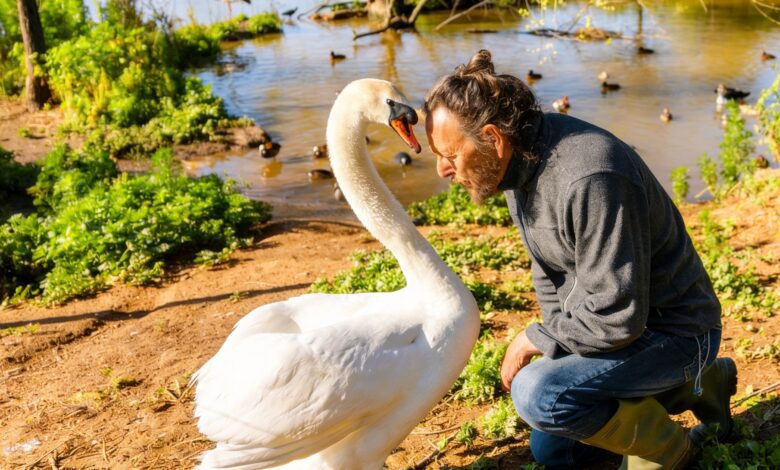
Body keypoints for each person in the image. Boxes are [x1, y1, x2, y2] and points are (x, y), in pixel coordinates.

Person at [423, 49, 736, 469]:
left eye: (450, 154)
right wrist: (559, 342)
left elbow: (619, 314)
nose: (443, 169)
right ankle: (702, 386)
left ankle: (677, 451)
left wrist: (539, 338)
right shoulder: (518, 166)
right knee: (554, 450)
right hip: (622, 332)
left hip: (675, 333)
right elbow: (549, 276)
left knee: (539, 393)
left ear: (494, 139)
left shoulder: (590, 176)